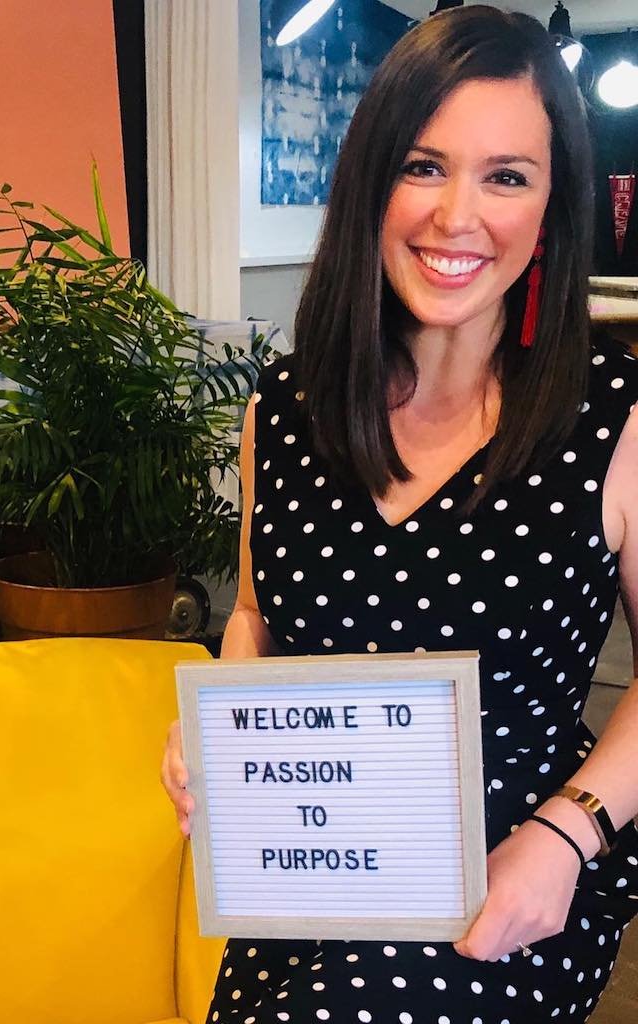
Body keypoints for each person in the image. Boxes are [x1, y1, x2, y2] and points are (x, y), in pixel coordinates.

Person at [161, 7, 638, 1022]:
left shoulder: (613, 417)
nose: (456, 216)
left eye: (506, 176)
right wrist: (223, 733)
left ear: (550, 207)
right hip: (317, 863)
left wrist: (567, 836)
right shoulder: (285, 407)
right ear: (371, 181)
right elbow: (254, 616)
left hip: (512, 872)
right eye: (424, 166)